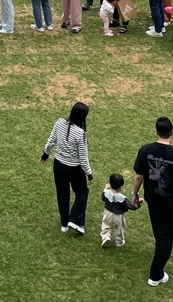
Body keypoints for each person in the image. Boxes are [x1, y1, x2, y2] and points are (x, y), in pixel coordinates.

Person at [132, 117, 173, 288]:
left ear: (156, 131)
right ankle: (156, 275)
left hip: (152, 199)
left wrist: (135, 194)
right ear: (172, 132)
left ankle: (160, 251)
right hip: (170, 203)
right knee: (166, 235)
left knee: (158, 230)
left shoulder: (145, 150)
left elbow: (138, 177)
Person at [41, 102, 94, 235]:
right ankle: (75, 220)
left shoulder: (59, 123)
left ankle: (64, 224)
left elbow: (51, 141)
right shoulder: (81, 133)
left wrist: (45, 154)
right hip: (74, 169)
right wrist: (89, 173)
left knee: (62, 193)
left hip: (59, 165)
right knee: (82, 193)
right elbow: (83, 157)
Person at [99, 173, 136, 248]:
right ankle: (119, 241)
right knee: (120, 228)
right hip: (119, 216)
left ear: (110, 184)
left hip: (108, 213)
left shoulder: (107, 193)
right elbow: (131, 206)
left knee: (106, 225)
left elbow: (103, 198)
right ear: (121, 187)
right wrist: (138, 202)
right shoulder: (122, 198)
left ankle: (106, 237)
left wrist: (105, 189)